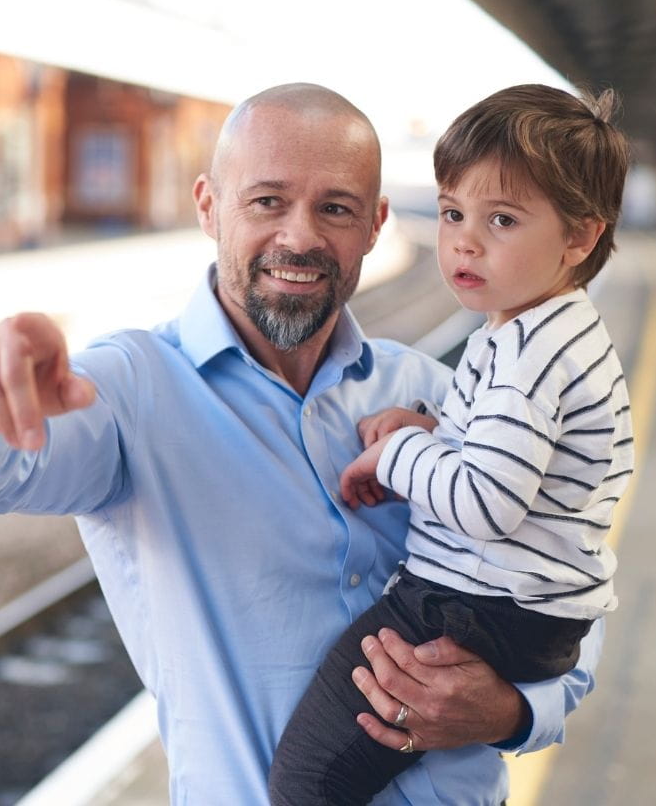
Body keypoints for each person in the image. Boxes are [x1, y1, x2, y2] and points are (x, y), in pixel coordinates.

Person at [0, 82, 603, 805]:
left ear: (375, 225)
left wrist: (512, 712)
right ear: (209, 207)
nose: (299, 238)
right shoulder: (134, 388)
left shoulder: (439, 390)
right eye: (267, 201)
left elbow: (563, 586)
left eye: (335, 208)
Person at [267, 84, 631, 805]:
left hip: (478, 605)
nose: (465, 240)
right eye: (452, 213)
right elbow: (514, 457)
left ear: (579, 238)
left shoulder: (529, 354)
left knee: (307, 780)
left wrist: (394, 458)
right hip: (529, 609)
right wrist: (434, 431)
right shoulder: (541, 327)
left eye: (501, 219)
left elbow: (487, 504)